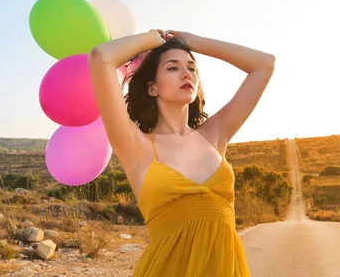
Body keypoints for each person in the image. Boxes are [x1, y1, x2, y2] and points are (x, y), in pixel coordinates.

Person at [88, 29, 276, 276]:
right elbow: (101, 57)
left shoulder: (214, 135)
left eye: (192, 68)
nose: (186, 73)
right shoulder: (136, 145)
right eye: (172, 68)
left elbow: (264, 64)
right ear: (152, 88)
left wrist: (191, 41)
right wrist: (152, 38)